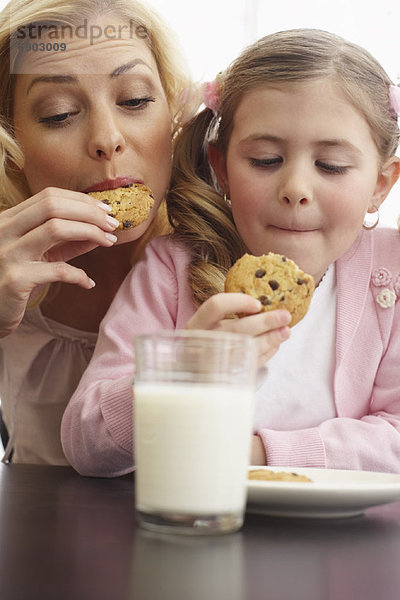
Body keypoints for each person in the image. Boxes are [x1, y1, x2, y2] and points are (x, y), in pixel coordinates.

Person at [62, 29, 400, 477]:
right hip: (191, 527)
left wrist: (256, 455)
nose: (295, 189)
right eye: (264, 159)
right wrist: (182, 370)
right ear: (221, 166)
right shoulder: (172, 269)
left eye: (331, 166)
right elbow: (86, 443)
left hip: (351, 540)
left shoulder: (391, 273)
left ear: (381, 183)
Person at [0, 0, 196, 464]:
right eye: (59, 113)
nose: (107, 138)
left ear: (173, 115)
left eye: (134, 100)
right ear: (11, 146)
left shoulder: (231, 252)